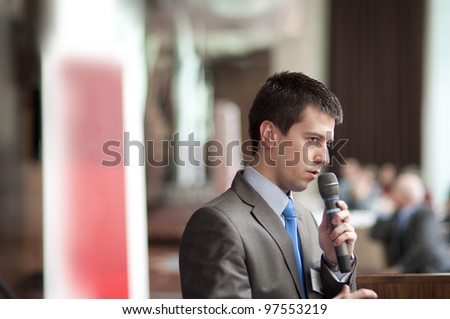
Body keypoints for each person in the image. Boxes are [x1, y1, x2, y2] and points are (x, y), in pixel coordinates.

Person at [179, 71, 377, 299]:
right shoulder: (216, 224)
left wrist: (332, 263)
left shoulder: (307, 221)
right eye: (313, 140)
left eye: (327, 143)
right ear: (270, 134)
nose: (325, 157)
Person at [370, 172, 450, 274]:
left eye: (395, 190)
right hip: (413, 273)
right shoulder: (397, 215)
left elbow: (422, 246)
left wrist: (400, 268)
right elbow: (375, 233)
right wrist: (385, 213)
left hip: (434, 273)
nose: (391, 193)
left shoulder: (426, 215)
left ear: (405, 196)